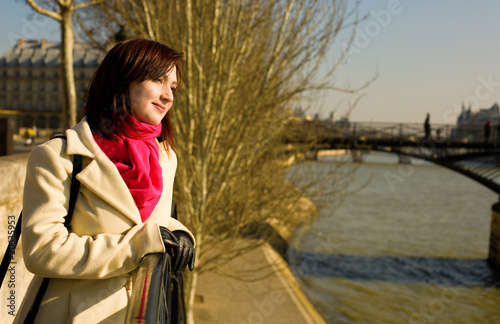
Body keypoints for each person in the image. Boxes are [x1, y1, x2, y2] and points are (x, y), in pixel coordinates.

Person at [15, 39, 195, 323]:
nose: (168, 96)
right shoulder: (59, 156)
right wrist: (136, 247)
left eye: (172, 87)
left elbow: (143, 221)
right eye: (159, 80)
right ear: (123, 79)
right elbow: (41, 250)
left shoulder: (165, 157)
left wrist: (179, 232)